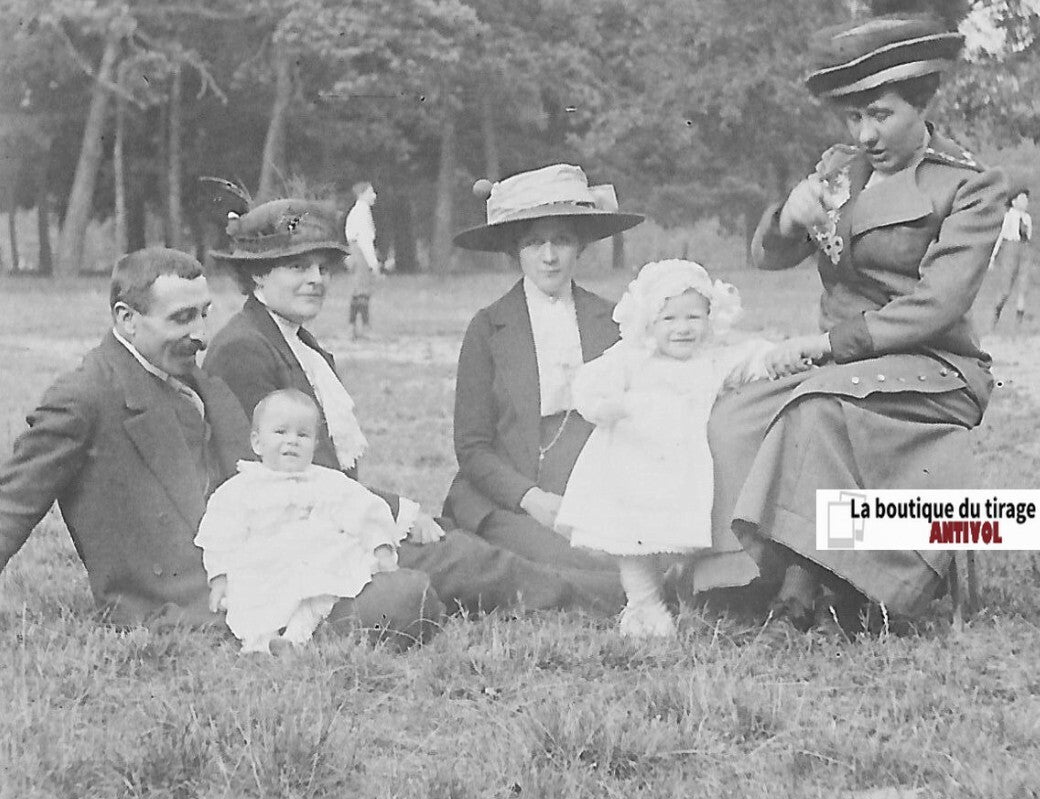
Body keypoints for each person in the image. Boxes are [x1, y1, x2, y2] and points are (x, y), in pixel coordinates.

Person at [695, 0, 1007, 638]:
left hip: (933, 366)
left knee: (814, 410)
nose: (864, 134)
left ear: (921, 104)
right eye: (852, 117)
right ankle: (752, 573)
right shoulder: (841, 168)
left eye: (880, 115)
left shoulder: (969, 186)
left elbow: (938, 305)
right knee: (735, 413)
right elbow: (770, 257)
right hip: (841, 361)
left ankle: (816, 588)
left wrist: (825, 346)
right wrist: (789, 217)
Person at [204, 196, 619, 617]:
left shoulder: (292, 342)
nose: (316, 280)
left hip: (337, 516)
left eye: (322, 268)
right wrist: (397, 511)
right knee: (474, 562)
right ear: (257, 274)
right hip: (305, 539)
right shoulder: (244, 350)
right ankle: (618, 598)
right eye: (298, 268)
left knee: (463, 547)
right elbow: (282, 480)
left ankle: (620, 588)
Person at [0, 248, 253, 628]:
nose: (201, 335)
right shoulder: (85, 397)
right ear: (127, 318)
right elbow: (12, 503)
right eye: (182, 318)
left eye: (204, 314)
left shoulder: (194, 381)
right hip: (172, 605)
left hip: (245, 573)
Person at [442, 164, 644, 612]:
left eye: (562, 241)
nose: (549, 256)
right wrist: (531, 500)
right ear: (515, 250)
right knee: (580, 563)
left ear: (580, 247)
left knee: (636, 554)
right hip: (512, 495)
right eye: (534, 243)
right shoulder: (488, 327)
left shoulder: (613, 322)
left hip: (592, 485)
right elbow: (472, 447)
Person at [555, 260, 776, 637]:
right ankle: (643, 603)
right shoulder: (633, 356)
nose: (682, 328)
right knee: (633, 543)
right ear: (648, 322)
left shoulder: (712, 358)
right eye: (669, 318)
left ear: (711, 318)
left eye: (693, 317)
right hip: (632, 467)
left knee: (678, 540)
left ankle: (680, 587)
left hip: (683, 473)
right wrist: (602, 404)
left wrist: (779, 357)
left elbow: (752, 359)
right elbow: (592, 380)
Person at [196, 389, 413, 652]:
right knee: (251, 598)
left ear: (315, 445)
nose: (292, 441)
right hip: (264, 566)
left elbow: (364, 511)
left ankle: (294, 639)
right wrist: (219, 578)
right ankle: (259, 644)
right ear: (257, 442)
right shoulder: (240, 489)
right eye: (280, 432)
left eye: (303, 435)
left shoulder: (327, 482)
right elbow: (220, 534)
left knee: (318, 593)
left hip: (316, 560)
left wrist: (381, 548)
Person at [986, 187, 1033, 328]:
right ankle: (996, 312)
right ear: (1014, 202)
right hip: (1010, 250)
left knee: (1023, 285)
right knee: (1005, 288)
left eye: (1026, 199)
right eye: (1022, 199)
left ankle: (1019, 320)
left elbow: (1029, 236)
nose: (1025, 202)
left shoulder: (1027, 218)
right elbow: (1000, 237)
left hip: (1024, 249)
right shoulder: (1009, 216)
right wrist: (993, 257)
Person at [345, 181, 381, 340]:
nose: (374, 195)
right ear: (362, 194)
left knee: (358, 290)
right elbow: (365, 240)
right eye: (370, 192)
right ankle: (364, 328)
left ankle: (352, 327)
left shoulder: (358, 211)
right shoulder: (361, 212)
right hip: (361, 252)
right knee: (363, 291)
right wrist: (373, 263)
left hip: (356, 250)